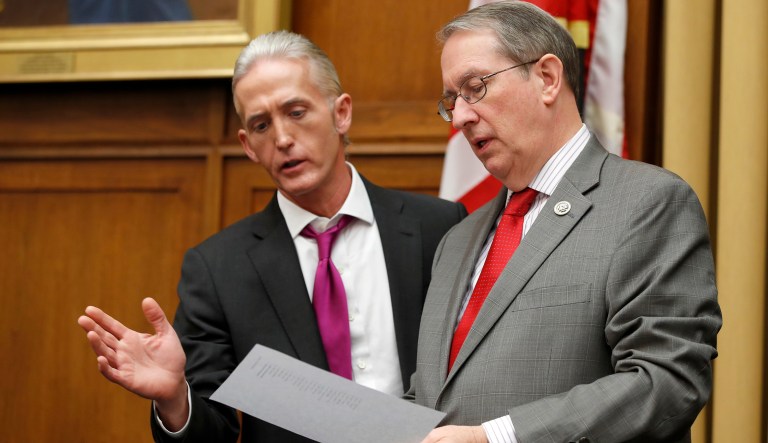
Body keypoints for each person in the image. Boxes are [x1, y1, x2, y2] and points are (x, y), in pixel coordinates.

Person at [78, 30, 467, 442]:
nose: (281, 138)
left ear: (342, 113)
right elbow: (214, 434)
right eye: (261, 125)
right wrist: (176, 398)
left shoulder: (438, 227)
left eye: (296, 112)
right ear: (248, 145)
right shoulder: (218, 269)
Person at [412, 2, 721, 443]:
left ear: (547, 78)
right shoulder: (457, 239)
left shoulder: (647, 204)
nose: (460, 116)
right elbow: (434, 396)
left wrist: (496, 438)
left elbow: (667, 380)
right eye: (451, 100)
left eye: (474, 87)